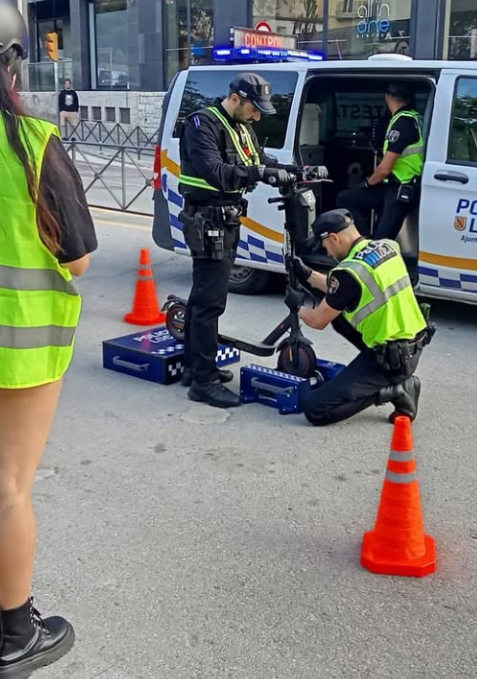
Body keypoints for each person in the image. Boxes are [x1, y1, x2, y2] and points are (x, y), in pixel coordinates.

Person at [0, 0, 97, 679]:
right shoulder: (31, 141)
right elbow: (76, 256)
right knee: (4, 487)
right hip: (15, 343)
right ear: (7, 62)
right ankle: (16, 635)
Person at [179, 73, 291, 409]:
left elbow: (261, 162)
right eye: (254, 108)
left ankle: (194, 366)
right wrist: (260, 175)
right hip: (208, 218)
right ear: (236, 98)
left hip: (227, 217)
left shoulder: (242, 127)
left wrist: (295, 171)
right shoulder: (202, 125)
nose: (258, 115)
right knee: (210, 300)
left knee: (204, 298)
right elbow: (216, 172)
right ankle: (203, 382)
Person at [292, 209, 433, 427]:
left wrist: (295, 306)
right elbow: (345, 289)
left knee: (315, 409)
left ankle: (396, 390)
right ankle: (387, 379)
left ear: (334, 238)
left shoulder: (349, 273)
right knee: (337, 315)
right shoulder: (387, 247)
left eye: (325, 245)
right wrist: (308, 275)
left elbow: (317, 321)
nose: (326, 251)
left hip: (391, 359)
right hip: (413, 344)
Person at [336, 83, 424, 239]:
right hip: (392, 187)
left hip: (402, 189)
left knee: (382, 241)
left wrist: (367, 184)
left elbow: (384, 169)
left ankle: (372, 246)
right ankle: (364, 241)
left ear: (387, 98)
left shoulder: (403, 123)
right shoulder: (414, 118)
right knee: (345, 198)